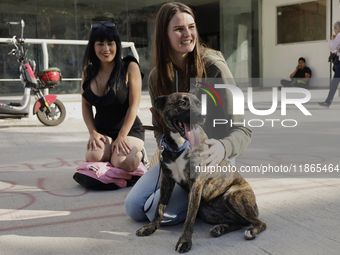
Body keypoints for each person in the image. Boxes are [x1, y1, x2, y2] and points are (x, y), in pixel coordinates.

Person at [125, 2, 252, 225]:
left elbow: (243, 129)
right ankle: (201, 202)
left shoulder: (214, 67)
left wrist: (223, 147)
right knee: (135, 208)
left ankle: (216, 198)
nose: (188, 34)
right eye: (178, 29)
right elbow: (161, 129)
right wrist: (168, 154)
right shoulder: (157, 77)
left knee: (156, 213)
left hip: (213, 158)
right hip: (179, 156)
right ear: (164, 35)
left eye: (191, 27)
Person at [81, 21, 145, 172]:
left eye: (110, 43)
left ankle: (139, 155)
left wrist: (122, 135)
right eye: (100, 44)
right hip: (103, 131)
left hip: (129, 130)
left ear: (117, 45)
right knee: (93, 156)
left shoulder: (130, 67)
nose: (106, 49)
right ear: (93, 46)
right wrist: (93, 133)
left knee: (122, 161)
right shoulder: (87, 72)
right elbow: (85, 105)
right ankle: (111, 154)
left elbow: (134, 105)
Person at [319, 21, 340, 108]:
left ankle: (328, 101)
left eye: (334, 29)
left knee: (335, 82)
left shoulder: (339, 35)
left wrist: (332, 40)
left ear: (337, 29)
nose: (334, 31)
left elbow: (331, 48)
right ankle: (328, 101)